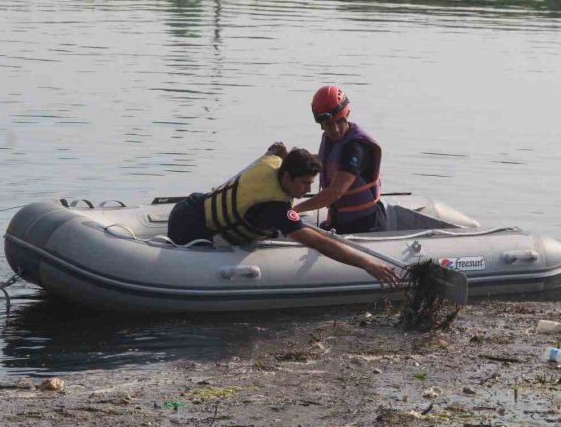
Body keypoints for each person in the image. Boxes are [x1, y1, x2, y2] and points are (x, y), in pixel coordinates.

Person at [167, 144, 398, 288]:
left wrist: (285, 152)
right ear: (287, 177)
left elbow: (276, 148)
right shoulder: (275, 208)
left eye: (311, 183)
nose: (307, 191)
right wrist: (367, 264)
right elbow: (320, 243)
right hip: (191, 228)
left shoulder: (274, 162)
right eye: (304, 184)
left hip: (191, 204)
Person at [293, 85, 383, 234]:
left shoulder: (357, 147)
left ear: (347, 114)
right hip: (338, 221)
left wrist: (295, 210)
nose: (334, 129)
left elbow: (335, 192)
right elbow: (319, 165)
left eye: (339, 121)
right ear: (320, 123)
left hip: (365, 226)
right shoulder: (330, 140)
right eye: (328, 124)